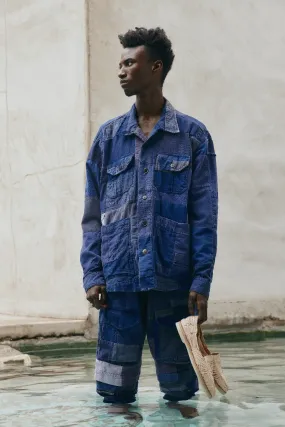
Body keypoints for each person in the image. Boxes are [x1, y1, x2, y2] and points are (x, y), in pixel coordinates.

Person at [80, 27, 218, 404]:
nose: (121, 71)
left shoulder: (193, 137)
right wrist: (92, 273)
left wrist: (201, 281)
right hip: (118, 284)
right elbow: (92, 215)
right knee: (114, 396)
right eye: (120, 63)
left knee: (181, 394)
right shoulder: (108, 139)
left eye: (129, 62)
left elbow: (204, 216)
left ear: (154, 68)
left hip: (172, 285)